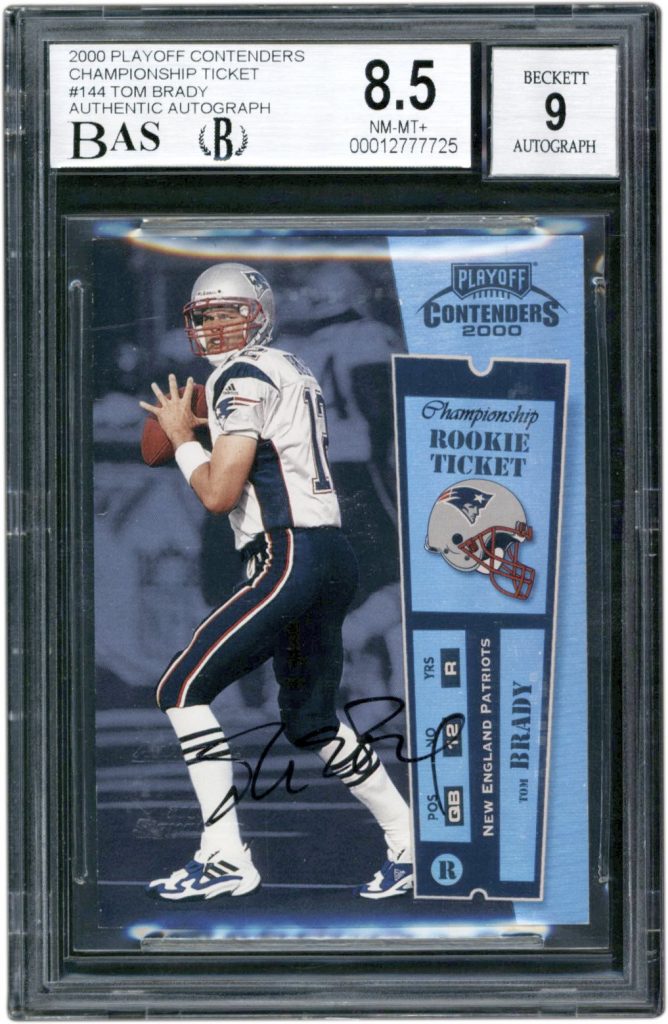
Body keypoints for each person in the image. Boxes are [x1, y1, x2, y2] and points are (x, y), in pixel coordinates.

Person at [139, 262, 412, 901]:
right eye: (205, 316)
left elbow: (218, 493)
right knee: (312, 720)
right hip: (327, 551)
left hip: (290, 552)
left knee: (181, 689)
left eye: (228, 313)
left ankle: (224, 856)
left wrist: (182, 440)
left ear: (259, 315)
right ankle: (408, 842)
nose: (214, 327)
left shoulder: (242, 375)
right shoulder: (292, 364)